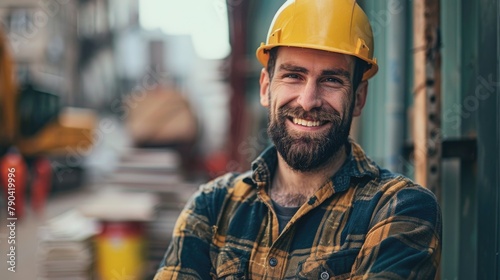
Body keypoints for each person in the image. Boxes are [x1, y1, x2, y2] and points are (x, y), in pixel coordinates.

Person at [154, 0, 442, 279]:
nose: (308, 101)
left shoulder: (399, 209)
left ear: (359, 98)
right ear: (266, 88)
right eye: (293, 75)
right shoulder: (211, 208)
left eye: (331, 80)